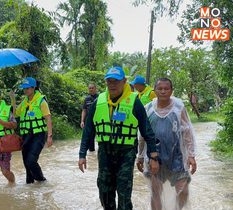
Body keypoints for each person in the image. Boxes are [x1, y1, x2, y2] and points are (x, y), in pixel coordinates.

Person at [78, 66, 159, 210]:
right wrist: (82, 154)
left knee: (124, 192)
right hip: (105, 152)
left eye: (116, 81)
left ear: (124, 82)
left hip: (126, 152)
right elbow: (88, 129)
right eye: (109, 81)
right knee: (104, 190)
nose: (112, 84)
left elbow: (147, 131)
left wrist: (153, 156)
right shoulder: (99, 101)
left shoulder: (134, 102)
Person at [136, 78, 197, 210]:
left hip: (177, 157)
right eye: (160, 88)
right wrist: (140, 155)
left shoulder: (179, 108)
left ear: (171, 90)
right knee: (155, 193)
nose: (163, 91)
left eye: (166, 88)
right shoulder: (148, 109)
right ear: (155, 90)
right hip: (154, 158)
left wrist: (191, 155)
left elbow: (187, 132)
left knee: (183, 190)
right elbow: (142, 135)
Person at [14, 77, 53, 184]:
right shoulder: (24, 102)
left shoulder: (41, 101)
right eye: (24, 88)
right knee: (26, 163)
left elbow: (48, 118)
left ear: (33, 88)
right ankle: (30, 187)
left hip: (38, 135)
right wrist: (13, 100)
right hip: (26, 135)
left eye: (27, 88)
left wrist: (49, 136)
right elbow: (15, 114)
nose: (25, 90)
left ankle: (41, 180)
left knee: (31, 161)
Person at [80, 83, 98, 152]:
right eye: (89, 88)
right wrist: (82, 121)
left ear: (95, 89)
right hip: (89, 122)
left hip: (98, 121)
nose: (91, 89)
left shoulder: (99, 97)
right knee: (90, 138)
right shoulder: (86, 99)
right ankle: (92, 152)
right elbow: (84, 110)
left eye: (92, 88)